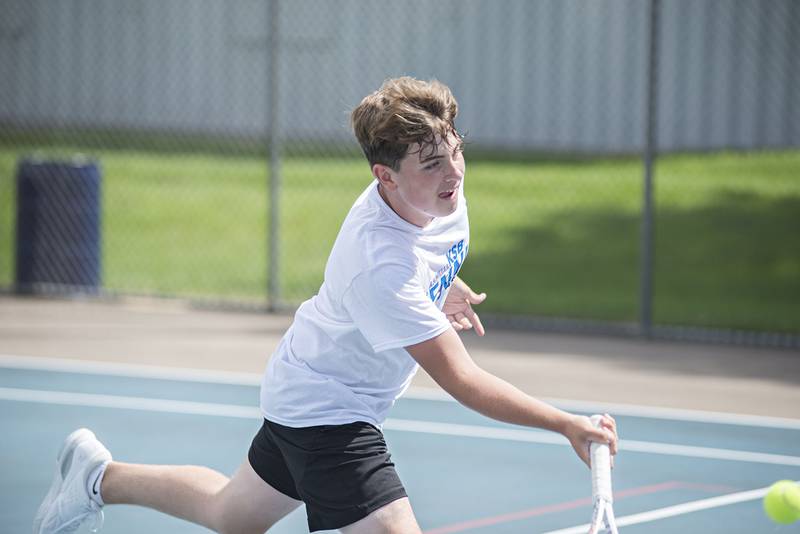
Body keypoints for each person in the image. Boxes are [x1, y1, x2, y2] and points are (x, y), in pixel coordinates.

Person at [33, 77, 618, 534]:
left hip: (308, 381)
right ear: (384, 176)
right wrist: (563, 421)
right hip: (328, 410)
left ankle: (96, 477)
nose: (454, 173)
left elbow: (424, 258)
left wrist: (441, 286)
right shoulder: (379, 265)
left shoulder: (438, 197)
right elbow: (461, 378)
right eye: (432, 163)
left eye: (455, 152)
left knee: (230, 514)